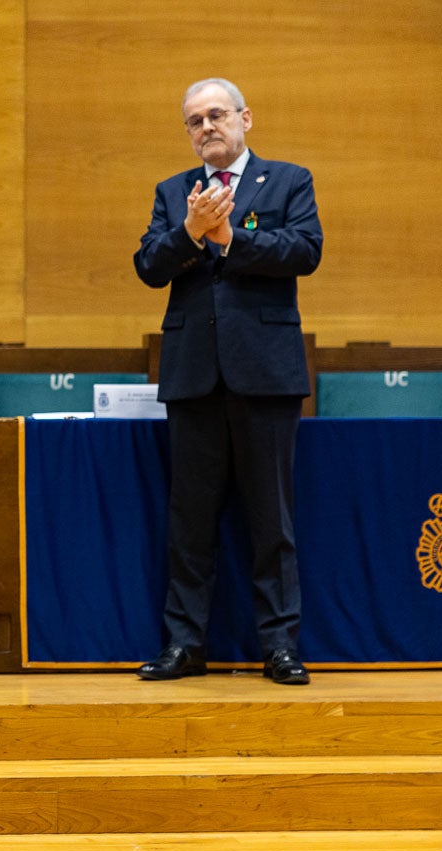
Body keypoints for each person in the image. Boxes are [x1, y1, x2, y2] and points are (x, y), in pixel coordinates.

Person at [133, 78, 323, 686]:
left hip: (264, 373)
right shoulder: (172, 193)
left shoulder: (290, 180)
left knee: (273, 519)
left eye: (217, 115)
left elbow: (305, 250)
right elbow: (147, 266)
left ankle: (280, 647)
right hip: (193, 373)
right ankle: (185, 644)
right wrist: (189, 234)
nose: (206, 127)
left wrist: (232, 239)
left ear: (245, 118)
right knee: (189, 520)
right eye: (194, 121)